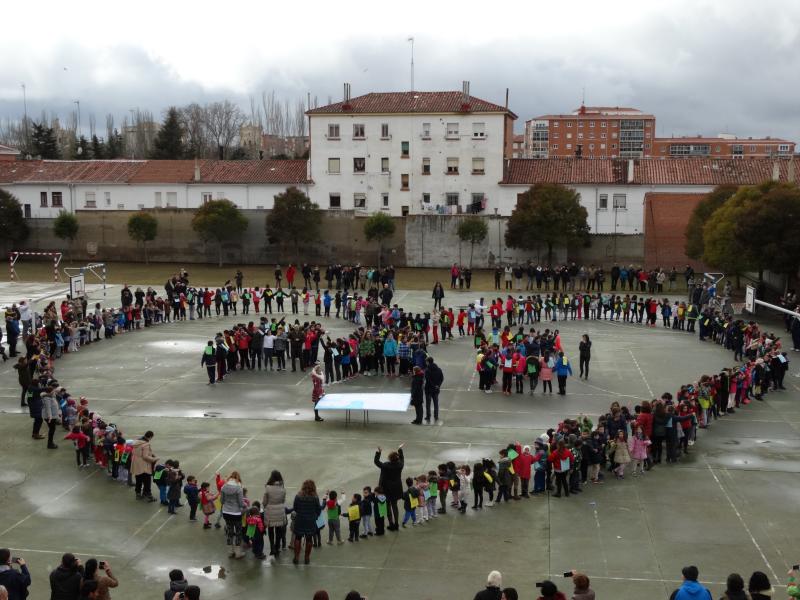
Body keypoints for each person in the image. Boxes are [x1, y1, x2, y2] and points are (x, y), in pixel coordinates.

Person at [374, 444, 404, 531]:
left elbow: (376, 462)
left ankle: (391, 524)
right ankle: (397, 524)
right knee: (395, 505)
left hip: (386, 488)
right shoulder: (400, 465)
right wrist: (400, 450)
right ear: (397, 458)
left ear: (390, 458)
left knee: (387, 505)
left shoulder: (385, 465)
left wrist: (379, 452)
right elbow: (402, 459)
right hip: (397, 488)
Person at [291, 479, 322, 565]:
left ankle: (296, 557)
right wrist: (315, 516)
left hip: (300, 519)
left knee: (298, 538)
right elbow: (318, 510)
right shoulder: (315, 497)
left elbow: (295, 508)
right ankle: (306, 558)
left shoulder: (298, 496)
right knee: (309, 539)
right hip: (310, 521)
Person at [262, 470, 288, 559]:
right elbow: (283, 500)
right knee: (279, 531)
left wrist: (266, 506)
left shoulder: (268, 488)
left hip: (270, 512)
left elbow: (264, 502)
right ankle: (277, 547)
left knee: (270, 530)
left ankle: (272, 548)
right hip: (280, 512)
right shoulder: (282, 488)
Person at [220, 471, 246, 559]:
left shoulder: (224, 487)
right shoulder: (239, 488)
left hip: (226, 512)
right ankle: (238, 553)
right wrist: (245, 505)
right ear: (238, 479)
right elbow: (241, 503)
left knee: (229, 532)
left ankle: (230, 552)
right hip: (236, 513)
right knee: (238, 532)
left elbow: (221, 501)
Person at [131, 431, 158, 502]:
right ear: (150, 437)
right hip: (143, 464)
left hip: (136, 463)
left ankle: (138, 493)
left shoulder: (136, 442)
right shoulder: (145, 444)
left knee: (138, 479)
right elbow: (145, 456)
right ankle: (148, 495)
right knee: (147, 480)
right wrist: (154, 459)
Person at [424, 357, 444, 423]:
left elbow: (428, 380)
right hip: (436, 390)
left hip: (429, 389)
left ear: (428, 362)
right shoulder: (439, 369)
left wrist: (433, 385)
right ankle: (436, 416)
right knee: (436, 403)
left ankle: (428, 416)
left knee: (428, 404)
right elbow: (442, 378)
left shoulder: (427, 370)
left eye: (426, 362)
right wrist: (438, 385)